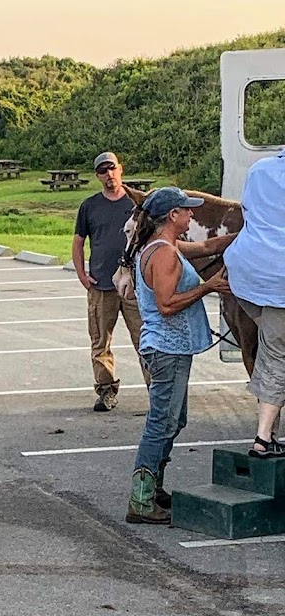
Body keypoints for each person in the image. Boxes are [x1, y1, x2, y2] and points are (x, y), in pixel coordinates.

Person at [123, 187, 236, 524]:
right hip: (167, 349)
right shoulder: (164, 255)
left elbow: (207, 246)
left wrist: (250, 232)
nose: (192, 216)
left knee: (174, 419)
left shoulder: (166, 246)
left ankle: (153, 488)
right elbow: (167, 304)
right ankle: (141, 500)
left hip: (171, 349)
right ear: (172, 216)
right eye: (187, 211)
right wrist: (208, 286)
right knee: (161, 422)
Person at [72, 152, 149, 412]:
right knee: (100, 341)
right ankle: (106, 391)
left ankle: (157, 391)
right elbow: (78, 241)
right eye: (103, 171)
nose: (109, 175)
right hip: (102, 284)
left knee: (145, 340)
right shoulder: (90, 206)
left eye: (112, 169)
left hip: (136, 286)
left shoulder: (138, 202)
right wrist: (82, 274)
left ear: (121, 169)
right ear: (97, 176)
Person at [224, 148, 285, 458]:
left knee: (274, 351)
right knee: (277, 354)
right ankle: (263, 438)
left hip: (248, 277)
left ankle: (267, 436)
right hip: (280, 283)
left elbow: (247, 212)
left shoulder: (260, 169)